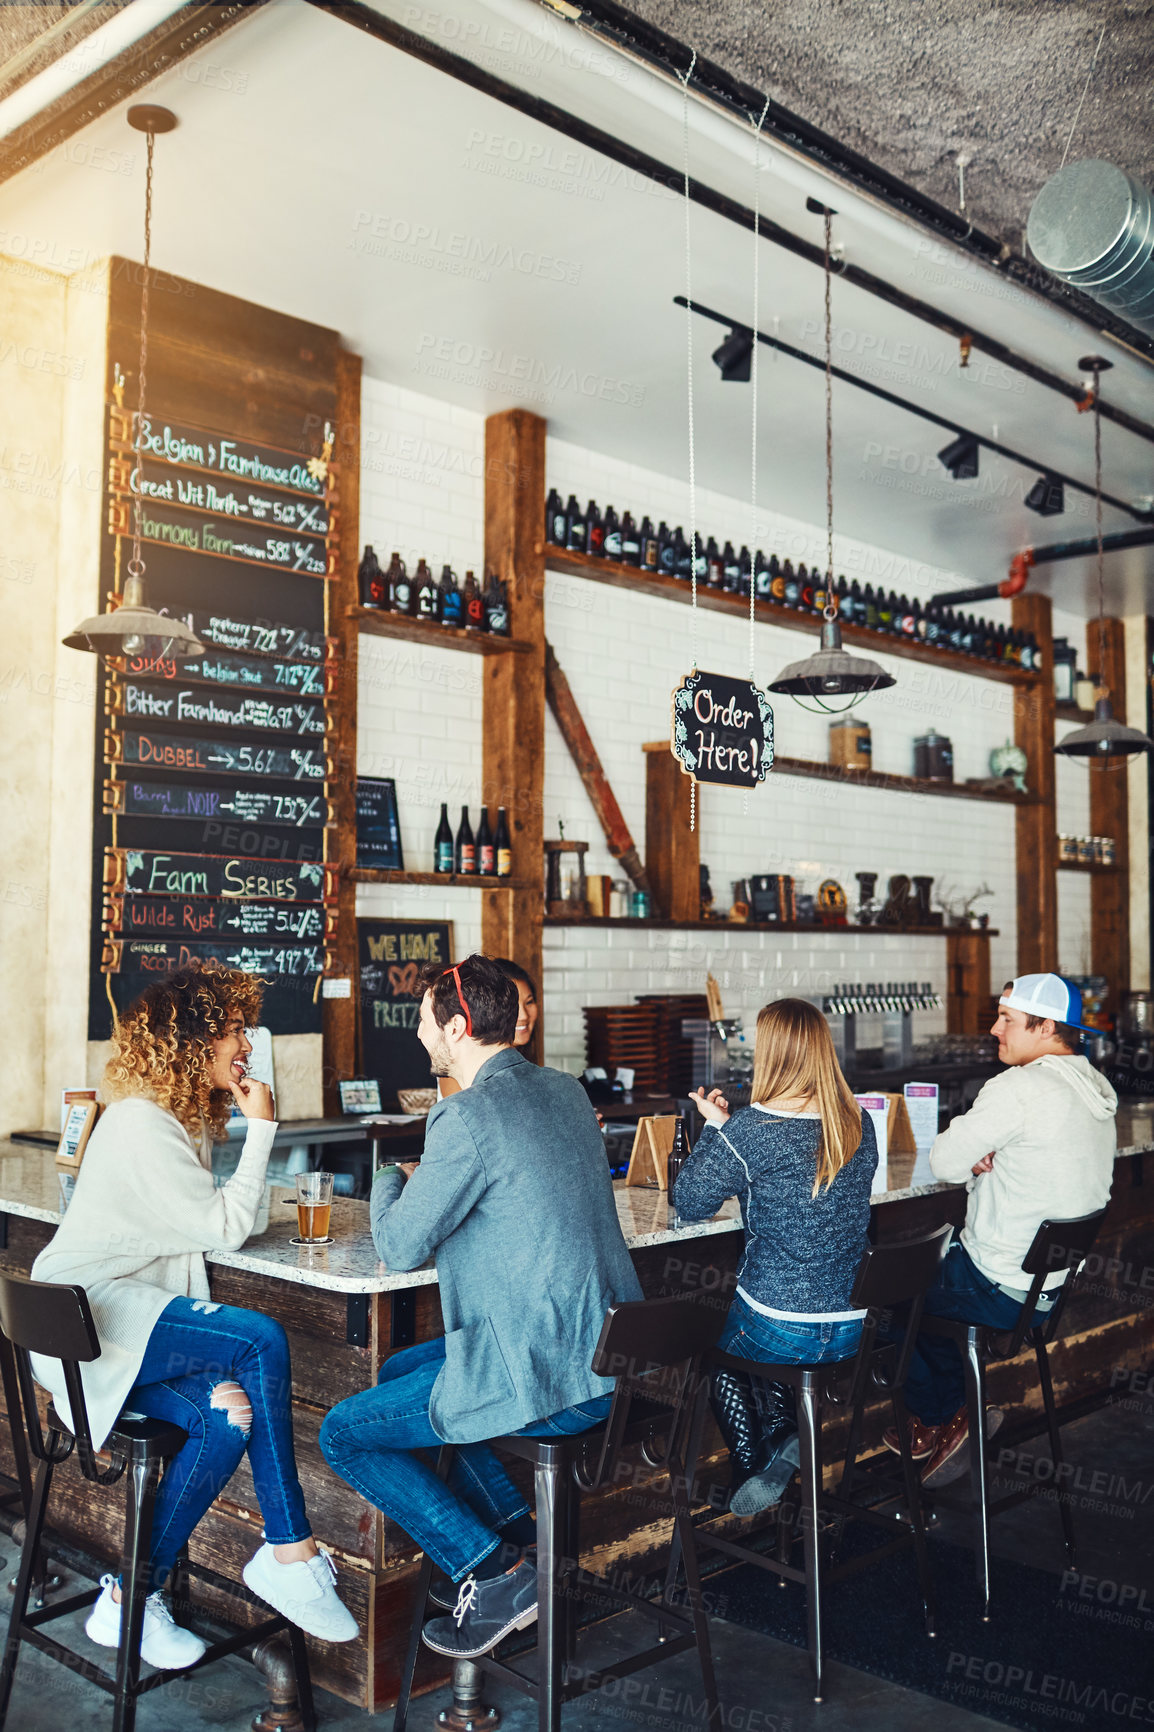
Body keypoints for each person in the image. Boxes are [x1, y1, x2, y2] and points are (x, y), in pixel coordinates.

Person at [30, 962, 357, 1669]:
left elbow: (213, 1219)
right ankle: (289, 1549)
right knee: (257, 1338)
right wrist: (264, 1127)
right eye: (235, 1030)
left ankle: (127, 1598)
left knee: (228, 1415)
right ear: (193, 1043)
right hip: (94, 1325)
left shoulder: (166, 1119)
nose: (247, 1044)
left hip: (114, 1331)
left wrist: (246, 1155)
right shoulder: (143, 1123)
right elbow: (227, 1228)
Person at [319, 954, 642, 1661]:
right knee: (405, 1366)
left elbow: (401, 1247)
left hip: (547, 1371)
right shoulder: (563, 1091)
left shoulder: (462, 1116)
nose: (419, 1031)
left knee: (342, 1434)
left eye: (427, 1019)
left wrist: (387, 1177)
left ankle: (493, 1571)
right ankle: (521, 1539)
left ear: (459, 1028)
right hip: (609, 1356)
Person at [886, 974, 1116, 1487]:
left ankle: (945, 1415)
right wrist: (989, 1152)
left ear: (1046, 1026)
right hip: (1044, 1291)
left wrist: (973, 1155)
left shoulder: (1019, 1087)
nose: (994, 1029)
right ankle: (946, 1417)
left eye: (1007, 1019)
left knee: (884, 1296)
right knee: (926, 1291)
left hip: (995, 1285)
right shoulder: (1093, 1087)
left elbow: (944, 1160)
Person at [674, 997, 877, 1515]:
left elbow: (690, 1203)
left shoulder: (751, 1130)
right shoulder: (857, 1121)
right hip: (855, 1327)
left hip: (783, 1326)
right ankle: (784, 1436)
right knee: (758, 1333)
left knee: (713, 1347)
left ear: (771, 1054)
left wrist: (715, 1128)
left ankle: (753, 1461)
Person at [436, 957, 538, 1100]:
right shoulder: (456, 1069)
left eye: (529, 1002)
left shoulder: (528, 1064)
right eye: (514, 1005)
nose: (523, 1015)